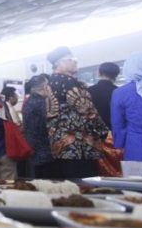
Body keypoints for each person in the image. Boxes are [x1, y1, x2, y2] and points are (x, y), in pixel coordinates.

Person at [46, 46, 108, 179]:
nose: (75, 62)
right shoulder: (71, 82)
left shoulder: (49, 83)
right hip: (80, 146)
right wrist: (103, 132)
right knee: (87, 184)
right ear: (59, 63)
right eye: (71, 59)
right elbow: (88, 112)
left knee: (68, 184)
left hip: (59, 145)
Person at [22, 75, 60, 178]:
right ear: (45, 87)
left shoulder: (29, 101)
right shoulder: (42, 103)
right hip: (44, 150)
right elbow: (48, 125)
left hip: (33, 148)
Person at [88, 62, 120, 129]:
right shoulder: (119, 92)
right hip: (115, 130)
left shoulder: (89, 91)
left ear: (99, 73)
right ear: (116, 75)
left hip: (95, 130)